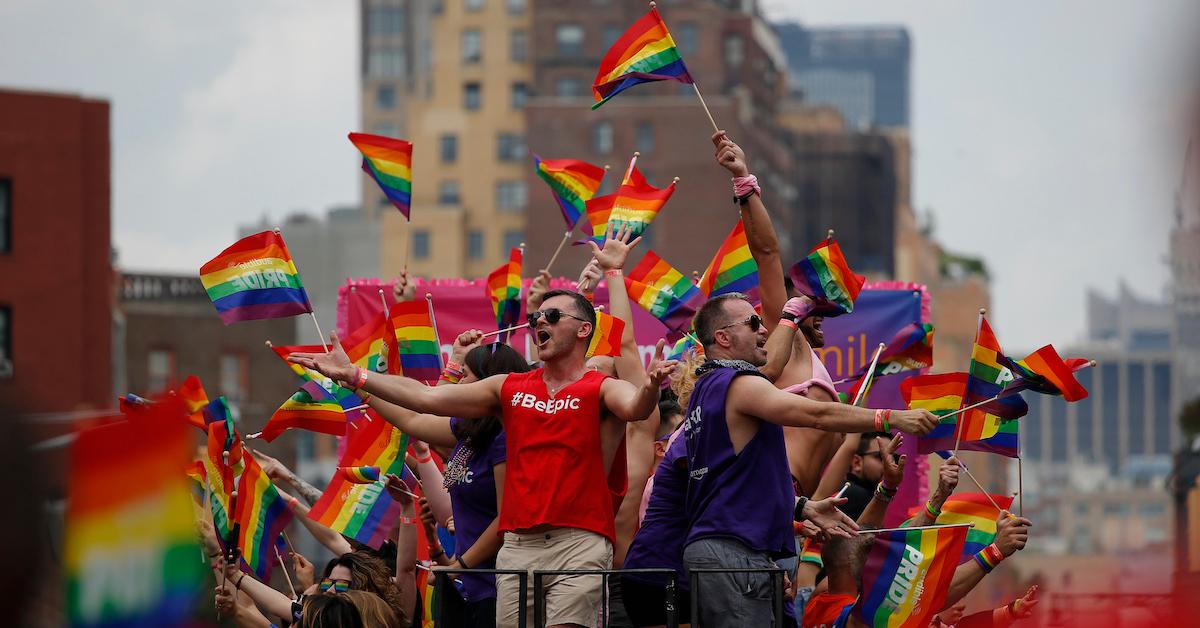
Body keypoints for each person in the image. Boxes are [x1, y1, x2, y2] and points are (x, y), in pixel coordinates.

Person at [289, 274, 677, 628]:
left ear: (583, 329)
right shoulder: (509, 386)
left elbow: (637, 408)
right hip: (518, 547)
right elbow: (425, 399)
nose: (540, 321)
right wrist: (355, 376)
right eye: (537, 316)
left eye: (553, 315)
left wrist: (651, 385)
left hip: (577, 543)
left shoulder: (600, 387)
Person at [680, 292, 938, 627]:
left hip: (728, 552)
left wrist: (803, 506)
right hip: (733, 553)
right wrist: (891, 418)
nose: (763, 331)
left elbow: (735, 481)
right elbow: (815, 414)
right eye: (754, 323)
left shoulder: (707, 387)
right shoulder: (736, 384)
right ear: (723, 338)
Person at [368, 338, 530, 628]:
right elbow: (417, 419)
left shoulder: (504, 440)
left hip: (495, 587)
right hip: (462, 584)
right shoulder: (467, 434)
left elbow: (508, 519)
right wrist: (359, 387)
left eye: (465, 376)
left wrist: (459, 566)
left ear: (487, 386)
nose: (458, 385)